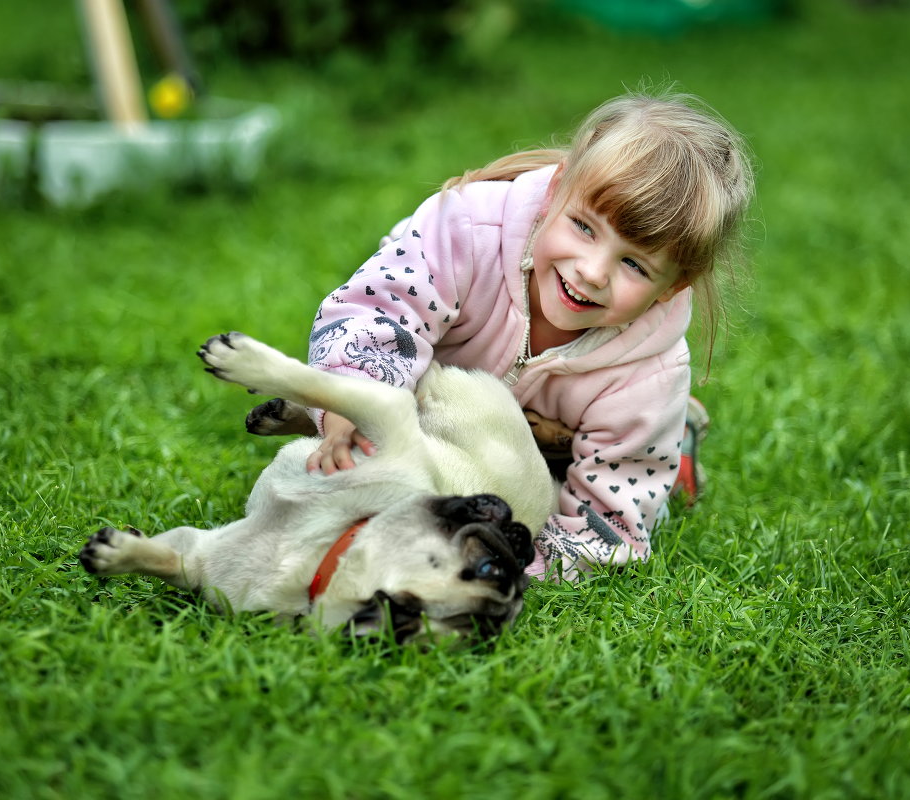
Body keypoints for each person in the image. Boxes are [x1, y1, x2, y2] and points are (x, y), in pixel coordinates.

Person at [300, 92, 754, 580]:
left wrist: (505, 564)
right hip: (425, 406)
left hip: (547, 454)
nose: (593, 272)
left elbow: (605, 528)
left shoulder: (649, 372)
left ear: (674, 286)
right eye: (584, 226)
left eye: (634, 264)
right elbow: (378, 311)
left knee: (616, 487)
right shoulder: (466, 228)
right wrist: (355, 404)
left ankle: (673, 449)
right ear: (557, 190)